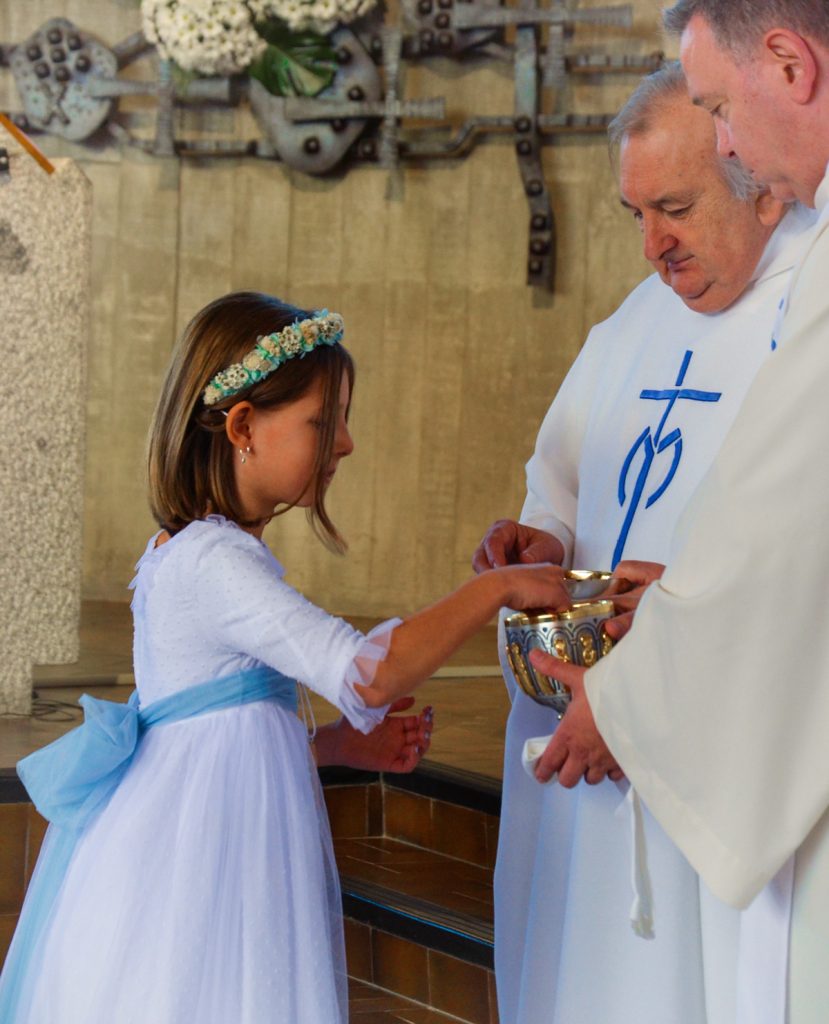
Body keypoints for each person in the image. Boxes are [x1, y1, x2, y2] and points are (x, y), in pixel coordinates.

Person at [0, 292, 570, 1024]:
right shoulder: (213, 563)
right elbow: (369, 672)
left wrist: (334, 745)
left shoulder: (197, 551)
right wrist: (495, 589)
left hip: (208, 833)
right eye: (323, 422)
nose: (345, 443)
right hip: (203, 864)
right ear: (242, 427)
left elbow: (214, 734)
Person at [473, 63, 818, 1024]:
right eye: (635, 214)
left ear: (758, 188)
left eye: (674, 208)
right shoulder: (631, 322)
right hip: (582, 711)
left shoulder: (806, 310)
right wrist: (540, 535)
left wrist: (677, 626)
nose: (651, 246)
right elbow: (562, 474)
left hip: (703, 735)